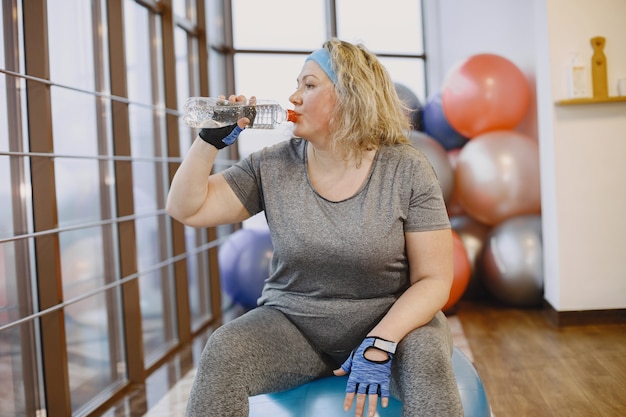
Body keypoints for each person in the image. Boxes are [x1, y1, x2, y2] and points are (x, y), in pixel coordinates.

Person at [167, 38, 463, 417]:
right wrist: (207, 143)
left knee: (428, 359)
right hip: (295, 327)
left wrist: (381, 341)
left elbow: (434, 279)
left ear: (350, 96)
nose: (293, 96)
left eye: (308, 85)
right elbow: (186, 208)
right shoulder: (271, 165)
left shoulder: (406, 169)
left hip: (394, 326)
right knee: (224, 351)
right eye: (297, 85)